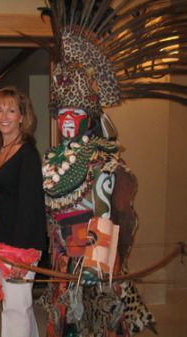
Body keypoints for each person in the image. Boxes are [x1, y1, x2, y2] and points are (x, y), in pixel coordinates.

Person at [40, 61, 155, 336]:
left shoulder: (101, 158)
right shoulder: (51, 158)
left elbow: (104, 213)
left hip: (92, 259)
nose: (68, 117)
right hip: (63, 256)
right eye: (64, 111)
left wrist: (97, 264)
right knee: (64, 321)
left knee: (92, 325)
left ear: (89, 116)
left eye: (76, 111)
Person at [0, 86, 47, 337]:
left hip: (21, 245)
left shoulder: (27, 153)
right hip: (1, 240)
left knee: (15, 308)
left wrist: (22, 253)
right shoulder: (1, 149)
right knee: (21, 306)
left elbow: (31, 205)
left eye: (11, 110)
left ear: (22, 116)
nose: (4, 116)